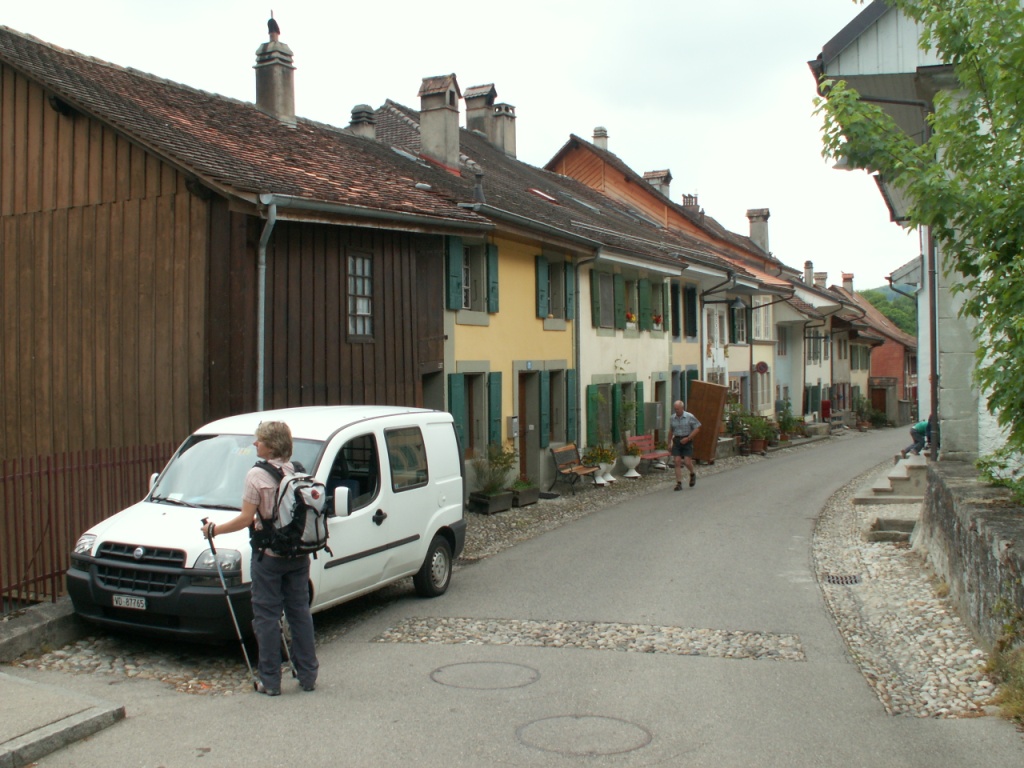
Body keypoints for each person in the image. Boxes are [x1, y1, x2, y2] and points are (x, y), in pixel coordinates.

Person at [201, 421, 318, 696]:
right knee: (299, 613)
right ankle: (308, 675)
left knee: (266, 616)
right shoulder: (296, 470)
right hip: (298, 554)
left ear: (271, 445)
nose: (255, 444)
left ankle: (270, 680)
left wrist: (214, 530)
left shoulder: (256, 475)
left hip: (269, 556)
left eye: (260, 440)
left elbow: (245, 518)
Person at [670, 400, 701, 491]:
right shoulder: (672, 418)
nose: (676, 411)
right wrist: (668, 443)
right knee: (677, 461)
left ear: (682, 408)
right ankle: (679, 483)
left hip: (687, 440)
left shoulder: (689, 416)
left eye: (678, 409)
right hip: (677, 440)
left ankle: (692, 473)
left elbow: (697, 428)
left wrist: (688, 438)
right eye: (675, 409)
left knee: (687, 461)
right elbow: (671, 431)